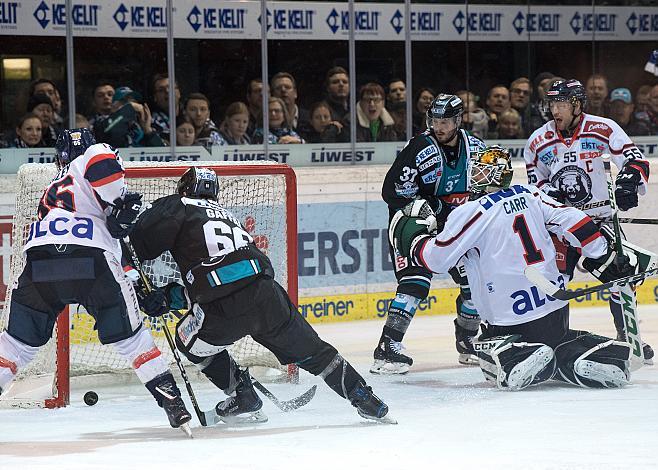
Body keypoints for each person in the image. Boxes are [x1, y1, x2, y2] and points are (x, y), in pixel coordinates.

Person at [129, 167, 392, 424]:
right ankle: (366, 399)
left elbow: (137, 241)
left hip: (222, 309)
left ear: (184, 189)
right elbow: (225, 273)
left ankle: (242, 395)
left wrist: (139, 277)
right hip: (267, 296)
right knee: (316, 352)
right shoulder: (227, 217)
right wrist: (169, 297)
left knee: (188, 342)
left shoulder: (180, 204)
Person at [390, 146, 634, 391]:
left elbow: (436, 260)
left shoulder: (472, 212)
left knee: (488, 352)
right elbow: (575, 220)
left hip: (509, 320)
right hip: (555, 313)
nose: (474, 175)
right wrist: (602, 253)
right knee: (559, 340)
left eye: (481, 171)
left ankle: (515, 356)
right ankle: (576, 354)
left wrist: (415, 239)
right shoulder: (530, 194)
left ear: (496, 175)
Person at [0, 128, 192, 430]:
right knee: (133, 342)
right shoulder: (92, 157)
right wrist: (122, 201)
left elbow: (114, 250)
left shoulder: (53, 189)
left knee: (14, 348)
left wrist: (140, 290)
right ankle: (172, 402)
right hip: (90, 262)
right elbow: (102, 163)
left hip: (40, 264)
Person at [524, 79, 654, 362]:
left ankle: (627, 338)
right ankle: (550, 341)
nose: (555, 111)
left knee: (623, 275)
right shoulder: (537, 141)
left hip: (600, 222)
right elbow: (536, 185)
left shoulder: (603, 129)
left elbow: (635, 160)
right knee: (552, 282)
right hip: (561, 226)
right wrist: (550, 193)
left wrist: (628, 183)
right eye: (552, 104)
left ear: (578, 104)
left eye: (561, 104)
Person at [372, 93, 486, 374]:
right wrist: (435, 206)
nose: (439, 126)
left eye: (445, 121)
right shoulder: (420, 148)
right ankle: (388, 346)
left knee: (474, 280)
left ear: (458, 120)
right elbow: (392, 192)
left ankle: (468, 339)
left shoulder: (476, 148)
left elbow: (484, 188)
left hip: (455, 225)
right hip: (415, 224)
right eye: (435, 120)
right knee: (416, 283)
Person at [94, 86, 165, 148]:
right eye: (124, 102)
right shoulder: (101, 124)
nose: (134, 105)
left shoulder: (142, 129)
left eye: (134, 101)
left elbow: (163, 155)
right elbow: (110, 132)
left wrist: (148, 131)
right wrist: (129, 108)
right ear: (113, 107)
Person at [150, 74, 181, 142]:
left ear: (179, 93)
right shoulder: (153, 122)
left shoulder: (191, 113)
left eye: (171, 87)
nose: (167, 91)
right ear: (155, 97)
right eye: (161, 90)